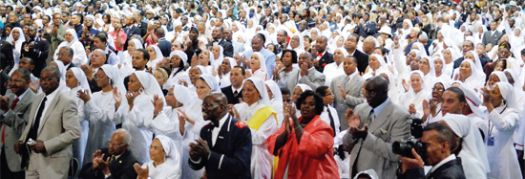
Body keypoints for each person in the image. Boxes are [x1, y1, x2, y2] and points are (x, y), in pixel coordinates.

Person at [16, 66, 81, 179]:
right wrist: (22, 140)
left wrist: (46, 146)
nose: (44, 82)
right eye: (42, 79)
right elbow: (31, 125)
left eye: (49, 79)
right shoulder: (38, 98)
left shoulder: (67, 102)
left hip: (53, 162)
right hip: (31, 159)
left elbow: (74, 132)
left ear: (58, 79)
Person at [343, 76, 410, 179]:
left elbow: (395, 154)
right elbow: (347, 145)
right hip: (356, 172)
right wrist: (351, 132)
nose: (368, 96)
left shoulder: (400, 116)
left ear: (385, 92)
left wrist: (366, 137)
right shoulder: (360, 109)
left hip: (380, 174)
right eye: (367, 91)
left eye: (373, 92)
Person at [267, 90, 339, 178]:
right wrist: (286, 133)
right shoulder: (291, 123)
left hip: (316, 174)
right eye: (304, 103)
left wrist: (294, 120)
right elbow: (273, 144)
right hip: (289, 171)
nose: (306, 106)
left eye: (311, 104)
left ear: (317, 108)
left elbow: (314, 148)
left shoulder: (324, 128)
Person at [188, 93, 252, 179]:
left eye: (208, 105)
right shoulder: (204, 130)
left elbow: (241, 166)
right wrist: (195, 157)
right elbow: (201, 165)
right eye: (202, 105)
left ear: (221, 108)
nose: (203, 109)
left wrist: (210, 155)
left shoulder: (241, 130)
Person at [397, 122, 466, 179]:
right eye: (420, 144)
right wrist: (405, 171)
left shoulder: (450, 176)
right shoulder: (443, 168)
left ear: (444, 146)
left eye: (426, 145)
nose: (422, 149)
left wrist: (416, 170)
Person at [482, 82, 522, 179]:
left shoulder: (512, 114)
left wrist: (488, 104)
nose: (490, 95)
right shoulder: (484, 112)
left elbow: (503, 126)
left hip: (503, 160)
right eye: (490, 92)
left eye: (494, 92)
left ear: (503, 97)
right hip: (486, 158)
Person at [0, 68, 35, 178]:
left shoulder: (33, 101)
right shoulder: (9, 97)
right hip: (3, 150)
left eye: (17, 81)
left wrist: (6, 111)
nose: (12, 84)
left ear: (28, 82)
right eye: (11, 80)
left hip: (18, 156)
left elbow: (25, 129)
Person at [330, 55, 365, 127]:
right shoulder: (335, 80)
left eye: (349, 63)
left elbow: (363, 101)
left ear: (355, 65)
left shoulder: (362, 82)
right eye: (344, 64)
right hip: (336, 117)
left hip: (352, 118)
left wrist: (346, 97)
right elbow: (331, 98)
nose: (346, 66)